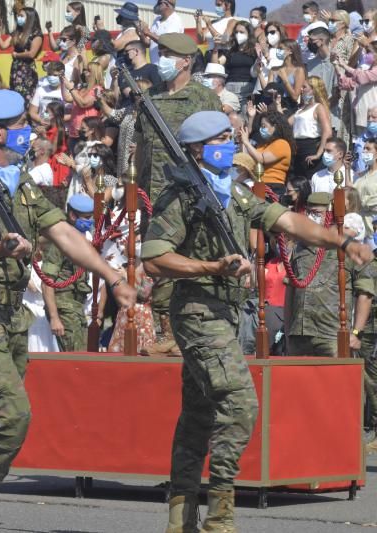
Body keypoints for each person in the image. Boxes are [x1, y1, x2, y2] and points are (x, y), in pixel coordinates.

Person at [141, 110, 373, 532]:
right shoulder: (178, 197)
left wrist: (343, 241)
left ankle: (180, 519)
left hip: (227, 314)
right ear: (197, 148)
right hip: (198, 314)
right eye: (222, 138)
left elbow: (289, 222)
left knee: (197, 417)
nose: (231, 143)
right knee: (241, 403)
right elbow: (154, 259)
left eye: (231, 136)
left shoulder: (234, 191)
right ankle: (221, 516)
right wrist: (211, 267)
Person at [0, 89, 135, 531]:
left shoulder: (18, 182)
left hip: (9, 315)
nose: (33, 131)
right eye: (23, 123)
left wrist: (114, 277)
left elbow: (63, 232)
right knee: (11, 413)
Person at [133, 33, 221, 356]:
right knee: (157, 265)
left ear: (186, 61)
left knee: (187, 261)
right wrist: (137, 186)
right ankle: (165, 333)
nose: (163, 59)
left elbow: (216, 145)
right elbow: (141, 146)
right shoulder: (150, 98)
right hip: (152, 196)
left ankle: (187, 333)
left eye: (169, 54)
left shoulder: (203, 98)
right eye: (162, 52)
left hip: (189, 196)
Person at [285, 191, 375, 356]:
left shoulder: (348, 247)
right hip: (299, 334)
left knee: (338, 381)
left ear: (330, 213)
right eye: (309, 212)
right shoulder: (300, 247)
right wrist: (287, 332)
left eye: (318, 213)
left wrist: (356, 333)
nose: (313, 218)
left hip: (332, 335)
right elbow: (290, 290)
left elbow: (365, 292)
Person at [41, 194, 94, 351]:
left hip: (76, 306)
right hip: (64, 307)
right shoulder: (59, 242)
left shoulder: (79, 238)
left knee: (80, 356)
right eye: (86, 217)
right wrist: (55, 317)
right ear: (72, 215)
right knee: (75, 358)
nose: (89, 221)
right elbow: (47, 282)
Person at [287, 76, 333, 179]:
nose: (301, 89)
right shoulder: (300, 109)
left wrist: (318, 153)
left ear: (313, 90)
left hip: (310, 147)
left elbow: (327, 131)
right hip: (297, 148)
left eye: (304, 87)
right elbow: (286, 124)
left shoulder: (318, 107)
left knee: (311, 179)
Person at [0, 6, 43, 104]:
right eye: (18, 16)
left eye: (21, 16)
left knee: (26, 97)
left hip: (27, 70)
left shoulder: (36, 34)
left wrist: (17, 55)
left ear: (30, 18)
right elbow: (3, 46)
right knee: (15, 95)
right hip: (16, 68)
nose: (18, 18)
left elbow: (32, 54)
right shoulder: (17, 32)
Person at [240, 108, 294, 195]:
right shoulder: (262, 145)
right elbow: (245, 160)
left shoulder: (282, 143)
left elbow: (261, 159)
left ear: (275, 126)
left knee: (266, 208)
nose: (261, 129)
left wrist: (246, 142)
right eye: (261, 126)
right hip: (258, 184)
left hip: (273, 186)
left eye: (264, 126)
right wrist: (242, 141)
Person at [212, 20, 257, 110]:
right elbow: (216, 65)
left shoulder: (254, 51)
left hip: (247, 89)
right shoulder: (231, 51)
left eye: (241, 32)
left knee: (245, 118)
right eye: (236, 32)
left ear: (249, 34)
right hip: (229, 88)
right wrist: (216, 48)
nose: (238, 34)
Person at [137, 0, 185, 65]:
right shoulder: (157, 19)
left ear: (167, 5)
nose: (157, 5)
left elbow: (167, 42)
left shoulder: (175, 20)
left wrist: (148, 32)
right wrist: (141, 33)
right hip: (154, 65)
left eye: (159, 3)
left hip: (168, 67)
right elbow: (148, 44)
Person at [117, 40, 161, 109]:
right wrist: (114, 79)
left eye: (126, 52)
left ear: (136, 51)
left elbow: (159, 94)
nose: (124, 55)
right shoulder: (123, 73)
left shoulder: (154, 70)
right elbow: (116, 97)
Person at [355, 138, 377, 213]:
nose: (364, 151)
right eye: (364, 148)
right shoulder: (362, 174)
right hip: (360, 220)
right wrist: (347, 169)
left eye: (368, 149)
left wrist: (360, 202)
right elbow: (352, 192)